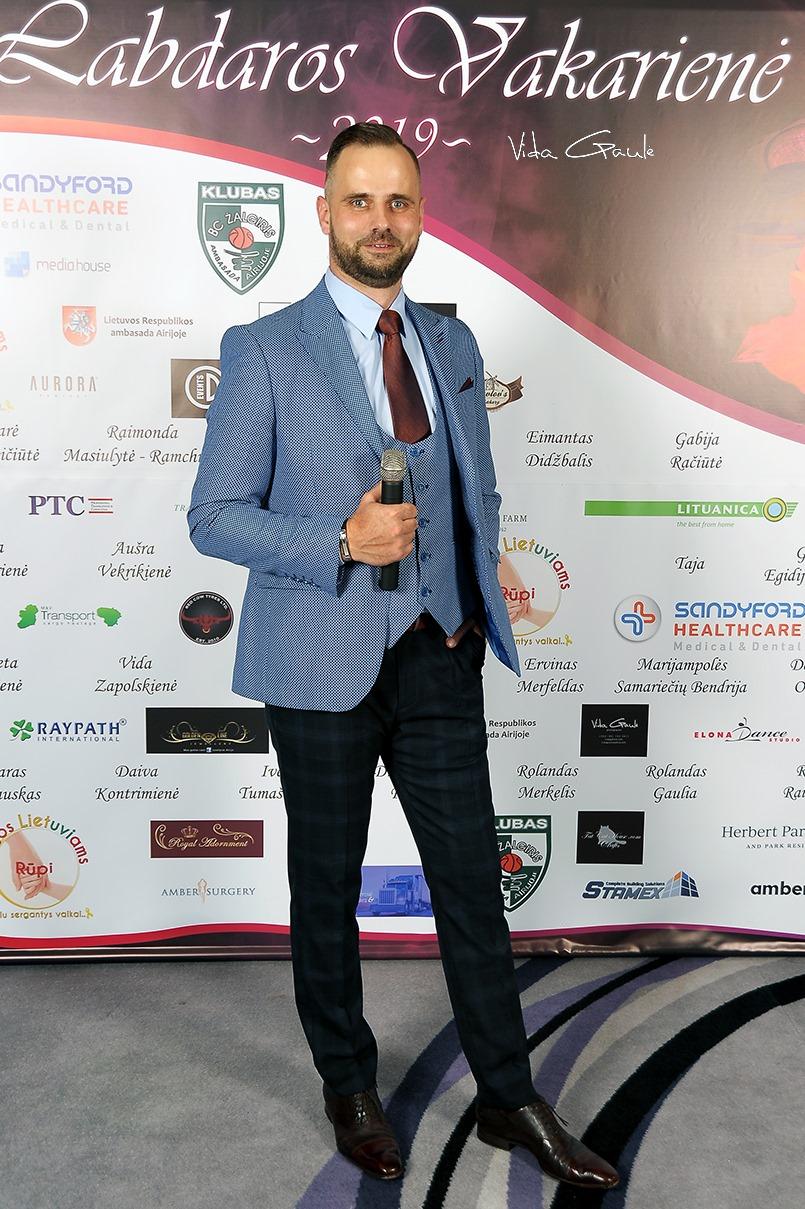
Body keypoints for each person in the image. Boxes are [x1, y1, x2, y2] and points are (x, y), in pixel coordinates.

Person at [188, 122, 618, 1192]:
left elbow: (473, 489)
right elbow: (214, 516)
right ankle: (349, 1086)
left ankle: (509, 1096)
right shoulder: (264, 348)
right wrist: (339, 539)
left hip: (438, 652)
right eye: (359, 201)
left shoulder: (451, 345)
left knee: (472, 885)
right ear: (323, 214)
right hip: (319, 660)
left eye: (398, 202)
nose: (379, 222)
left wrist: (468, 604)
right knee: (326, 887)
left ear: (419, 216)